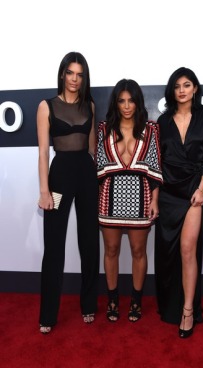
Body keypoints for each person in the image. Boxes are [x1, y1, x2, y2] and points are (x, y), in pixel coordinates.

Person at [37, 52, 99, 334]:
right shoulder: (46, 106)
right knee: (54, 246)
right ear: (62, 74)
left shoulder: (90, 106)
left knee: (88, 241)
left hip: (86, 176)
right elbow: (42, 153)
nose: (75, 79)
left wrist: (95, 180)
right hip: (59, 177)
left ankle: (88, 305)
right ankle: (48, 315)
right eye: (70, 73)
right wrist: (44, 190)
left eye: (80, 74)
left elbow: (92, 150)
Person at [155, 67, 203, 338]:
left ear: (195, 88)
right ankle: (172, 303)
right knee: (170, 254)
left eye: (187, 84)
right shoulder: (162, 121)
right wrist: (155, 198)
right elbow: (156, 163)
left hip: (194, 191)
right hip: (168, 193)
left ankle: (188, 310)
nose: (182, 90)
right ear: (172, 90)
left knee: (186, 249)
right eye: (177, 86)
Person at [95, 79, 162, 322]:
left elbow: (154, 167)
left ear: (138, 102)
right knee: (111, 250)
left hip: (141, 197)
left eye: (131, 100)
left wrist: (155, 200)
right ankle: (112, 298)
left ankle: (135, 300)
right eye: (121, 100)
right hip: (108, 198)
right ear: (115, 102)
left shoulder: (151, 129)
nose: (126, 106)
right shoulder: (103, 129)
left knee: (138, 251)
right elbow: (99, 170)